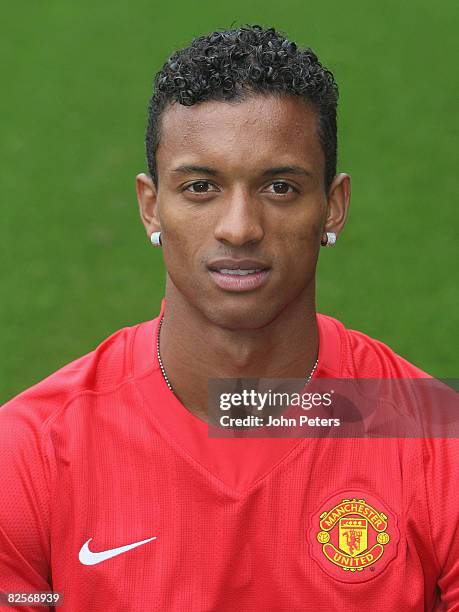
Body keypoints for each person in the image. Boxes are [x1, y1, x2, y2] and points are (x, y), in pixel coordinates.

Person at [0, 25, 457, 611]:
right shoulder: (29, 453)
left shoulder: (439, 443)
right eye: (200, 187)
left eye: (280, 187)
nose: (239, 228)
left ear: (333, 206)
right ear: (150, 205)